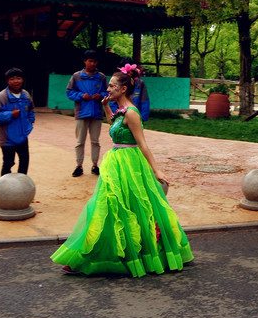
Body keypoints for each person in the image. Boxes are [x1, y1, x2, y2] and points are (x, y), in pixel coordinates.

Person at [51, 68, 192, 276]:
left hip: (130, 165)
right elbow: (114, 127)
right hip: (116, 162)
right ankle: (100, 254)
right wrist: (106, 107)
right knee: (110, 207)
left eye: (112, 86)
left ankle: (132, 255)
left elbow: (143, 144)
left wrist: (157, 170)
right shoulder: (120, 110)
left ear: (123, 88)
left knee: (133, 209)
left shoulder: (132, 113)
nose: (107, 88)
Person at [66, 49, 108, 177]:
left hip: (96, 113)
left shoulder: (101, 77)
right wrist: (80, 96)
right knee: (80, 141)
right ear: (85, 61)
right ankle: (79, 166)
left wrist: (100, 95)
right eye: (90, 61)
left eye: (95, 61)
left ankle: (95, 165)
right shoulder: (76, 76)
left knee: (95, 141)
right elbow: (69, 92)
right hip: (81, 113)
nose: (93, 64)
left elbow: (108, 92)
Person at [0, 67, 35, 176]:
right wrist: (10, 114)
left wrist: (30, 123)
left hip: (22, 136)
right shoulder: (1, 97)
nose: (16, 81)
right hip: (7, 138)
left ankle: (21, 186)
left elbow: (31, 109)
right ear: (7, 81)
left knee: (24, 161)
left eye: (18, 78)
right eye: (12, 79)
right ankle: (4, 189)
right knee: (8, 163)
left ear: (23, 80)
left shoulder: (26, 95)